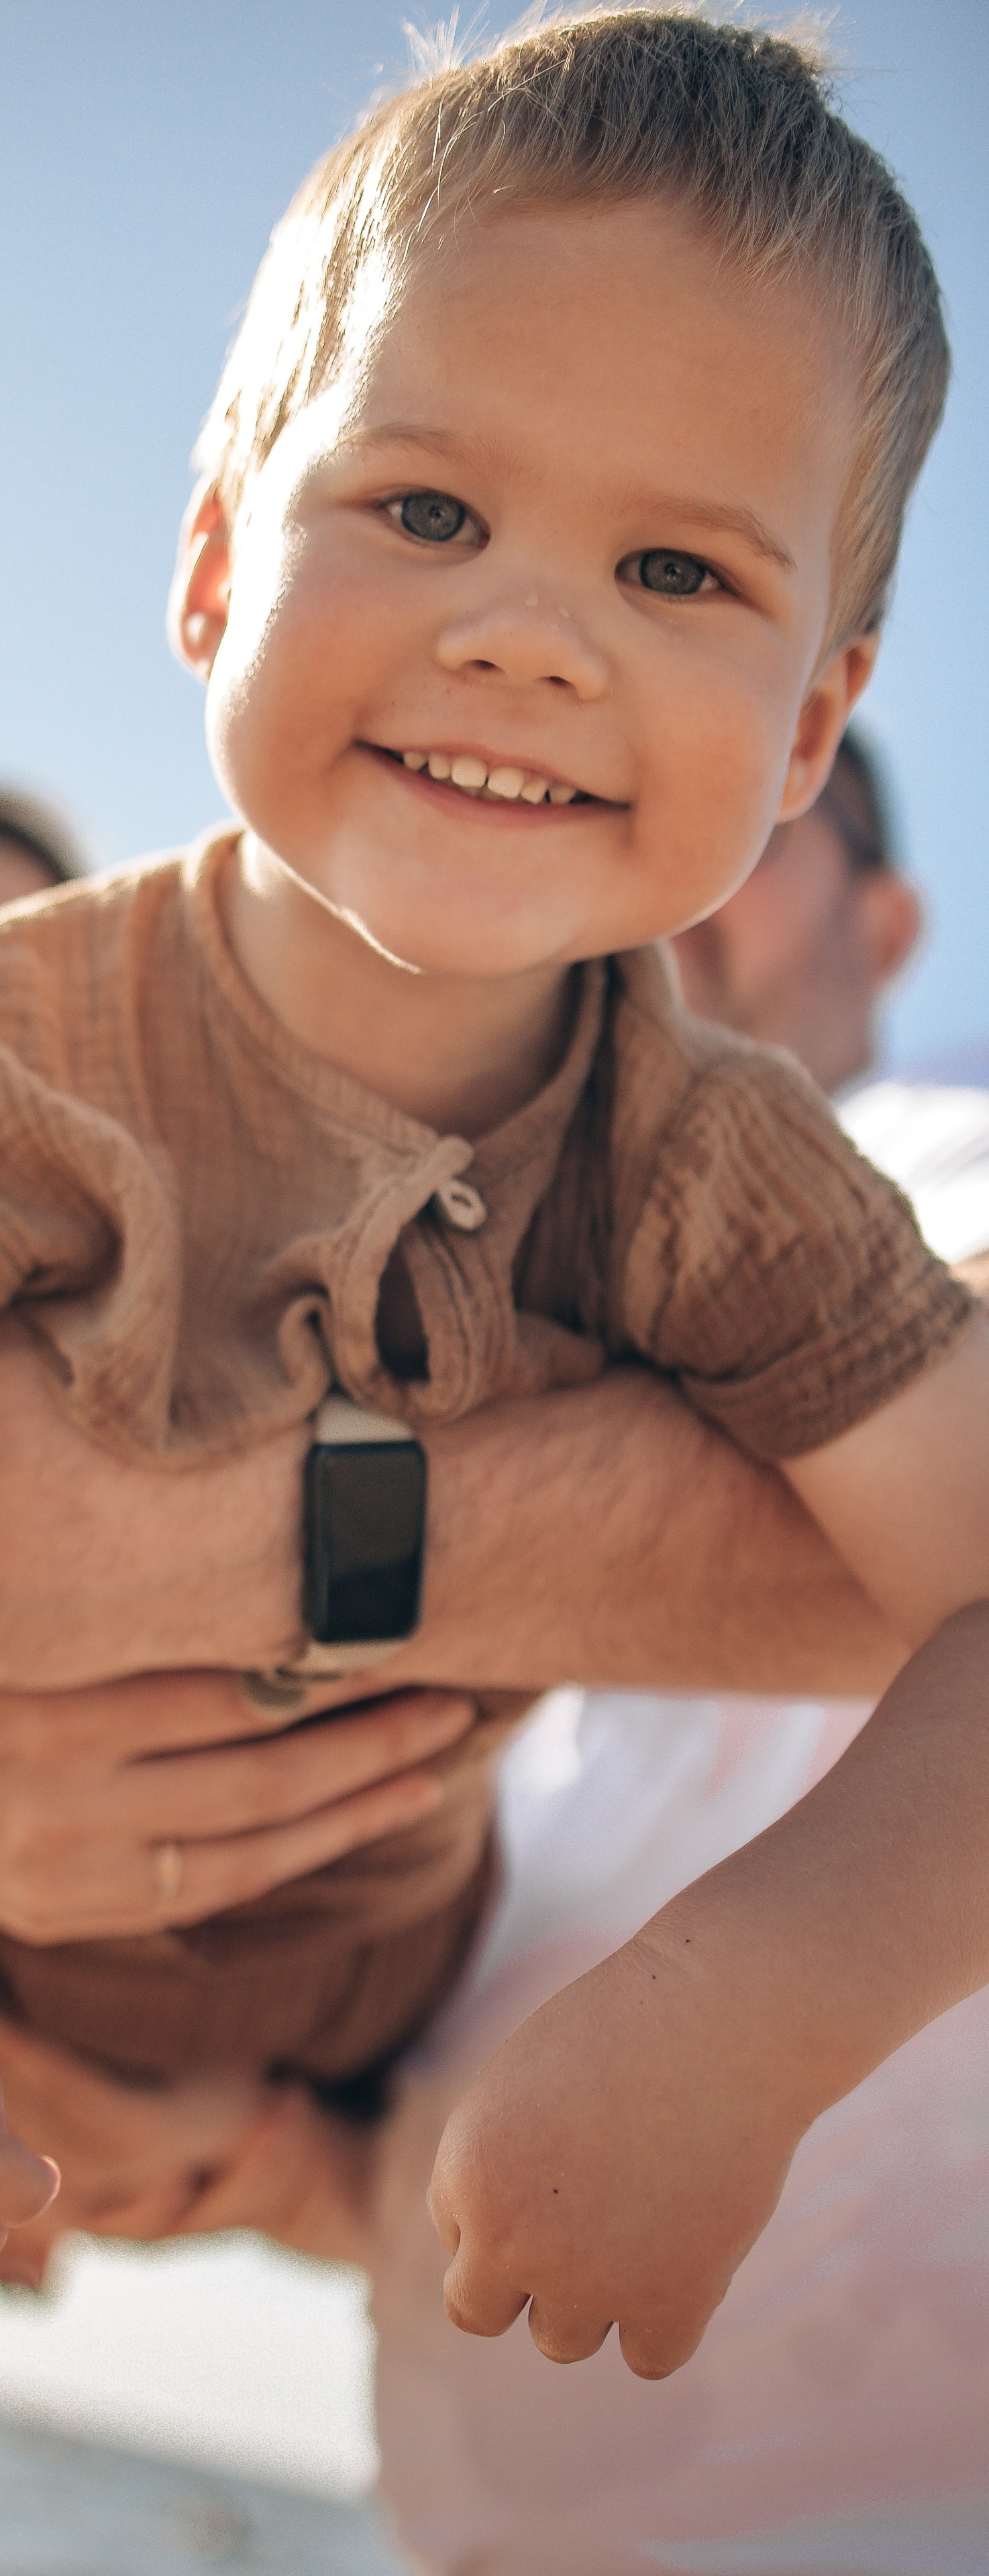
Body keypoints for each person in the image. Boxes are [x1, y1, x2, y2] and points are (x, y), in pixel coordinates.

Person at [0, 7, 989, 2398]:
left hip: (394, 2017)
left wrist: (750, 2012)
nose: (528, 634)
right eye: (430, 509)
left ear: (805, 734)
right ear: (211, 561)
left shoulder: (716, 1169)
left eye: (675, 564)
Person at [371, 727, 989, 2571]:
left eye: (766, 822)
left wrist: (756, 2012)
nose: (682, 873)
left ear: (883, 928)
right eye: (632, 820)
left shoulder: (913, 1157)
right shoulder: (543, 1321)